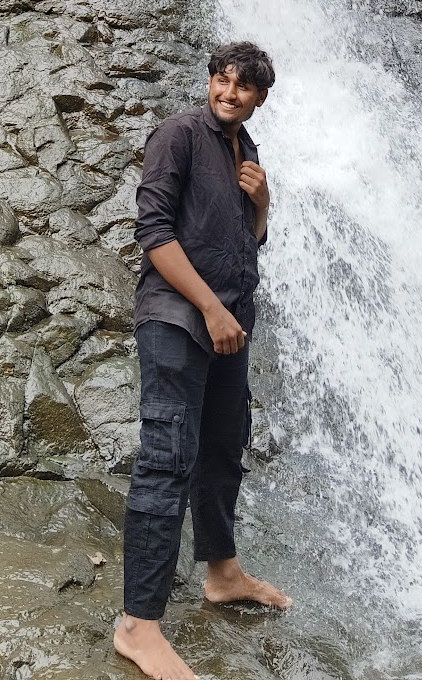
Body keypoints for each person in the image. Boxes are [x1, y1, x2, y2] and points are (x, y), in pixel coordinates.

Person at [114, 40, 291, 680]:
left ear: (259, 98)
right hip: (177, 319)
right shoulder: (179, 135)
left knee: (221, 447)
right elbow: (153, 233)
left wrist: (262, 203)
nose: (228, 93)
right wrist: (211, 309)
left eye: (242, 86)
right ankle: (137, 626)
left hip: (229, 326)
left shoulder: (248, 152)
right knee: (167, 458)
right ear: (210, 81)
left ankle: (222, 573)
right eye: (221, 80)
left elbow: (247, 243)